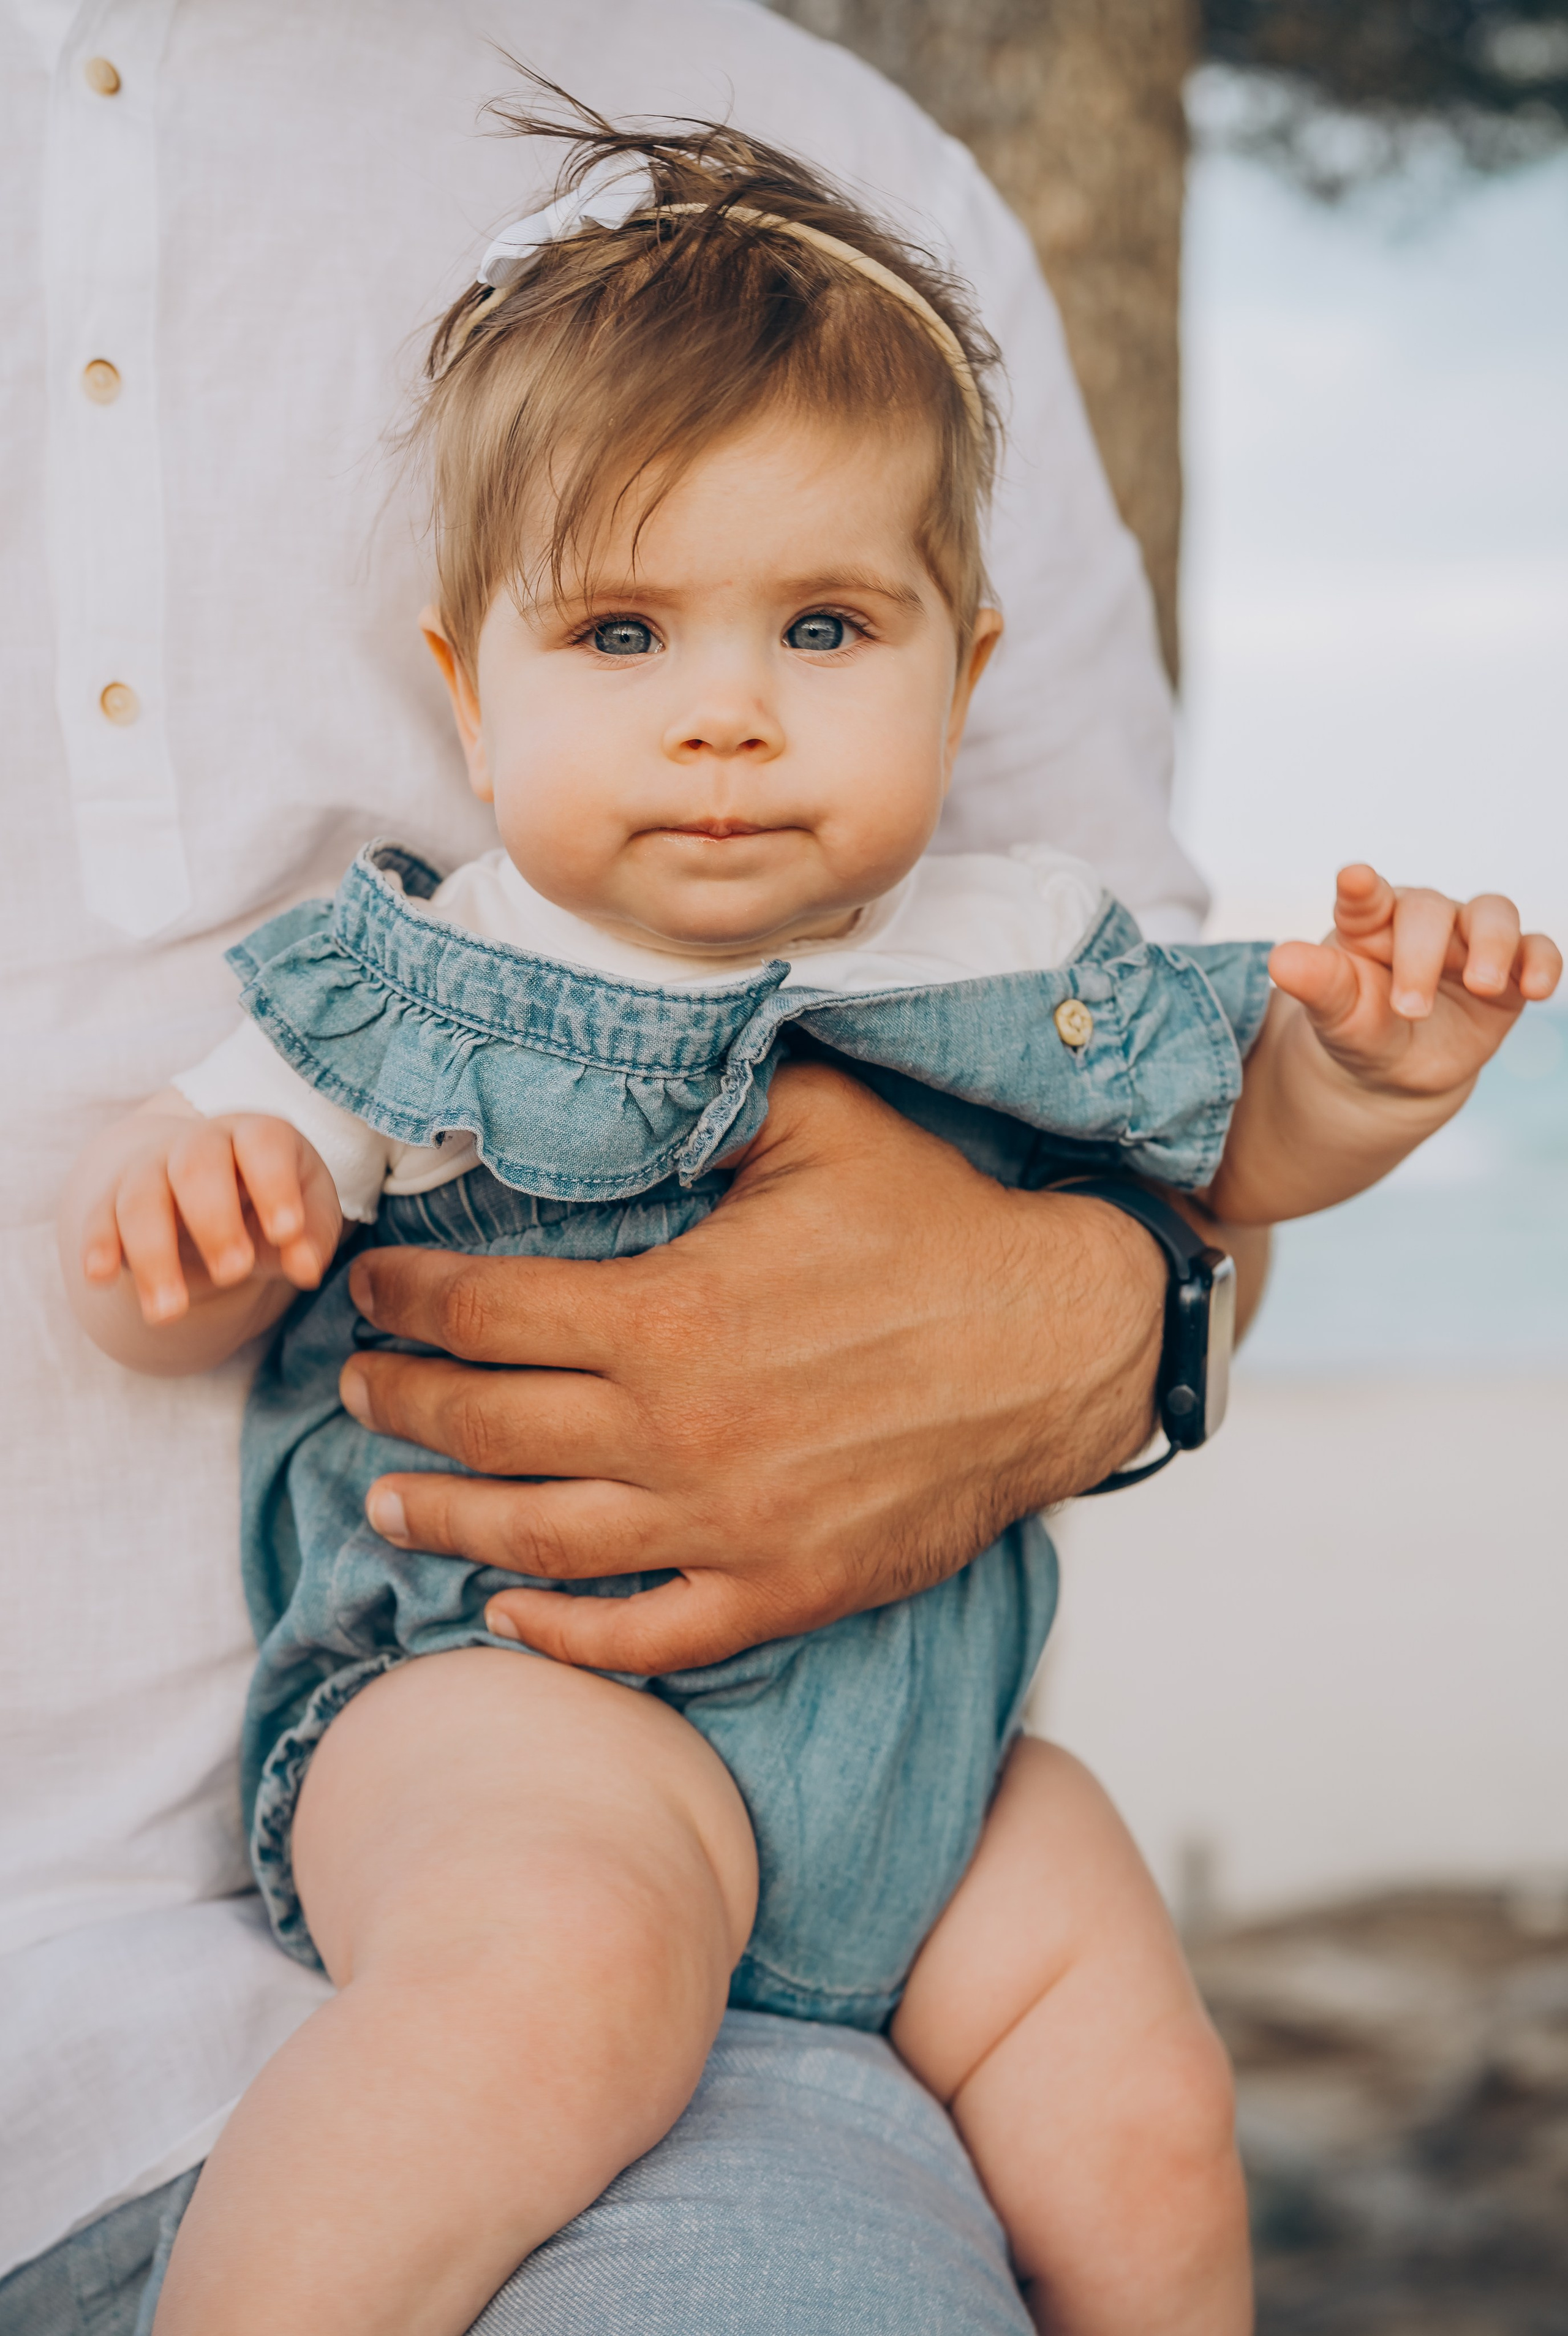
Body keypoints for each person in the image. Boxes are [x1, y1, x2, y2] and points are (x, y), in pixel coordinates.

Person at [58, 113, 1560, 2336]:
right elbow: (148, 1295)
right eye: (628, 629)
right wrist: (198, 1212)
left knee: (1145, 2098)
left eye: (829, 626)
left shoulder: (1019, 950)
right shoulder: (427, 974)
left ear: (963, 671)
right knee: (549, 1992)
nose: (731, 712)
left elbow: (1225, 1171)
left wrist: (1368, 1077)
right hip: (506, 1706)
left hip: (926, 1771)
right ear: (473, 689)